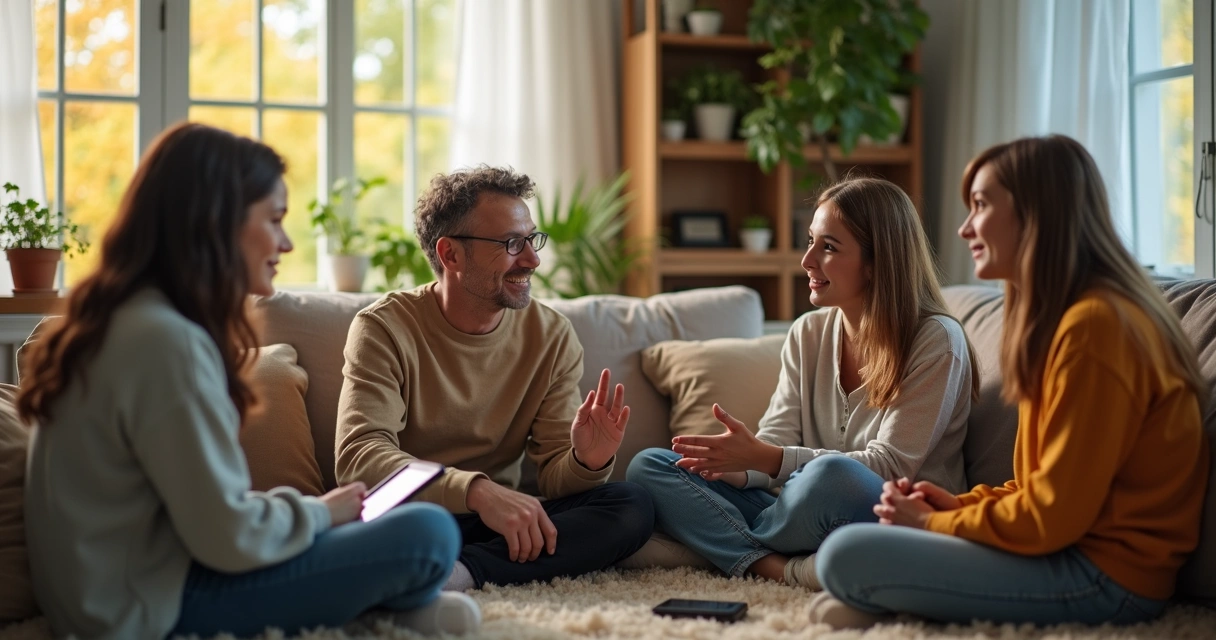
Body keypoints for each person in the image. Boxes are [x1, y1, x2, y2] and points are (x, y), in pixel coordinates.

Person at [18, 123, 480, 639]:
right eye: (275, 220)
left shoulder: (119, 321)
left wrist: (307, 513)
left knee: (385, 528)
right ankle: (385, 610)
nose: (285, 243)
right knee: (429, 532)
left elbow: (198, 510)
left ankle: (387, 612)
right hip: (146, 610)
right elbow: (225, 537)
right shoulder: (164, 341)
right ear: (218, 221)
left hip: (116, 594)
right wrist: (321, 516)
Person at [812, 135, 1210, 629]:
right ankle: (893, 600)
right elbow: (1037, 488)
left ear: (1035, 213)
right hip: (1067, 550)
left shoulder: (1097, 328)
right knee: (850, 552)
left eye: (979, 205)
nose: (963, 228)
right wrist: (957, 504)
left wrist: (936, 523)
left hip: (1108, 576)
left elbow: (1053, 516)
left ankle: (890, 598)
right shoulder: (1069, 321)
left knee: (845, 554)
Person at [626, 177, 979, 589]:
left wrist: (768, 460)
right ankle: (777, 566)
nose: (807, 260)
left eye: (828, 247)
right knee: (650, 466)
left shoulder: (935, 339)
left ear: (877, 261)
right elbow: (777, 438)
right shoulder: (807, 332)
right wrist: (736, 466)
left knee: (831, 475)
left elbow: (889, 468)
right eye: (810, 241)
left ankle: (722, 543)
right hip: (799, 509)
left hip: (888, 516)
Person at [333, 165, 654, 590]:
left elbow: (556, 480)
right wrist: (477, 492)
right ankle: (450, 561)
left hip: (495, 523)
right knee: (407, 527)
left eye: (532, 240)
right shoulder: (384, 328)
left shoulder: (552, 334)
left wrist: (585, 460)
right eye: (511, 243)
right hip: (409, 512)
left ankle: (459, 573)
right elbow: (360, 457)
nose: (533, 259)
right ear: (450, 255)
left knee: (630, 506)